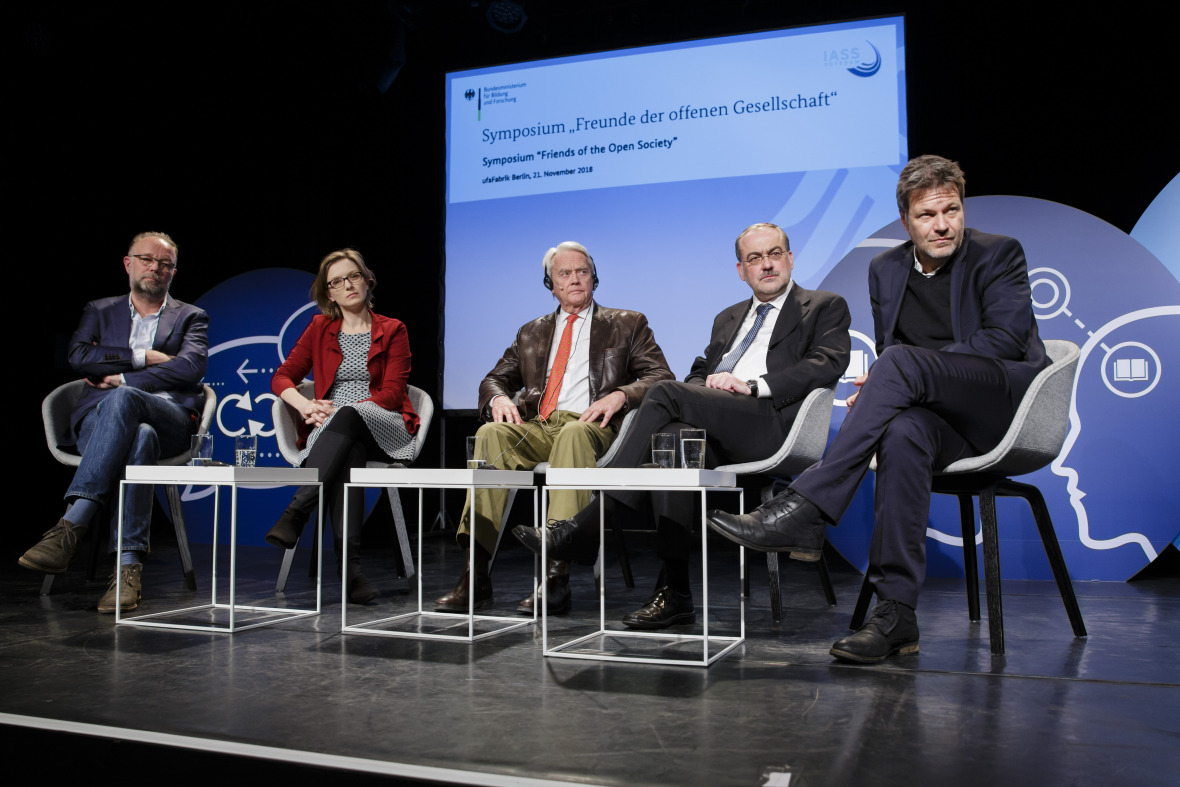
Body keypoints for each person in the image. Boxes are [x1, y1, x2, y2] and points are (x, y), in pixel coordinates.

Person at [707, 155, 1051, 663]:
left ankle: (807, 506)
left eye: (951, 211)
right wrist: (888, 384)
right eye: (926, 216)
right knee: (903, 433)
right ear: (906, 221)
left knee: (900, 364)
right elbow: (895, 348)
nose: (941, 224)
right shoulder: (885, 269)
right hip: (933, 417)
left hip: (995, 406)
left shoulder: (998, 254)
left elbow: (1002, 341)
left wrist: (907, 371)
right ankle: (896, 615)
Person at [515, 223, 851, 629]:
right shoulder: (728, 318)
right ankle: (675, 593)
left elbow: (827, 363)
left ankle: (591, 523)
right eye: (754, 258)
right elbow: (701, 371)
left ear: (790, 258)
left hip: (774, 424)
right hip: (721, 424)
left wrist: (751, 385)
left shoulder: (824, 305)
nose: (766, 265)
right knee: (674, 441)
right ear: (741, 270)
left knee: (663, 393)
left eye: (775, 254)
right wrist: (696, 397)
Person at [437, 241, 674, 614]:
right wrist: (498, 398)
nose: (575, 279)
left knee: (573, 434)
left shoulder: (627, 323)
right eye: (565, 273)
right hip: (539, 425)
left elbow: (660, 376)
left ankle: (557, 574)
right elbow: (495, 378)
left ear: (594, 279)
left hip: (592, 426)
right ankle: (476, 574)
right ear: (551, 286)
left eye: (582, 271)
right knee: (489, 435)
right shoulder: (531, 332)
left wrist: (621, 395)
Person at [21, 231, 209, 613]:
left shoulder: (191, 316)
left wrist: (123, 378)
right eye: (146, 259)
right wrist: (144, 356)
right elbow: (78, 357)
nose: (155, 268)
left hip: (170, 418)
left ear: (174, 271)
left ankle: (72, 524)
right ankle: (127, 570)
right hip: (102, 419)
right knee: (139, 435)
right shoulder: (99, 310)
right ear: (128, 263)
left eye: (164, 263)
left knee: (126, 399)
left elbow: (191, 367)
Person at [266, 248, 419, 605]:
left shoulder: (393, 329)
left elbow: (394, 393)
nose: (347, 285)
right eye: (337, 281)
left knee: (348, 415)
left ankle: (297, 511)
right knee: (346, 449)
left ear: (367, 281)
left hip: (384, 422)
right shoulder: (320, 328)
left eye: (353, 276)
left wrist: (349, 408)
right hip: (335, 430)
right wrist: (304, 404)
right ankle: (350, 572)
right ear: (329, 293)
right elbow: (283, 376)